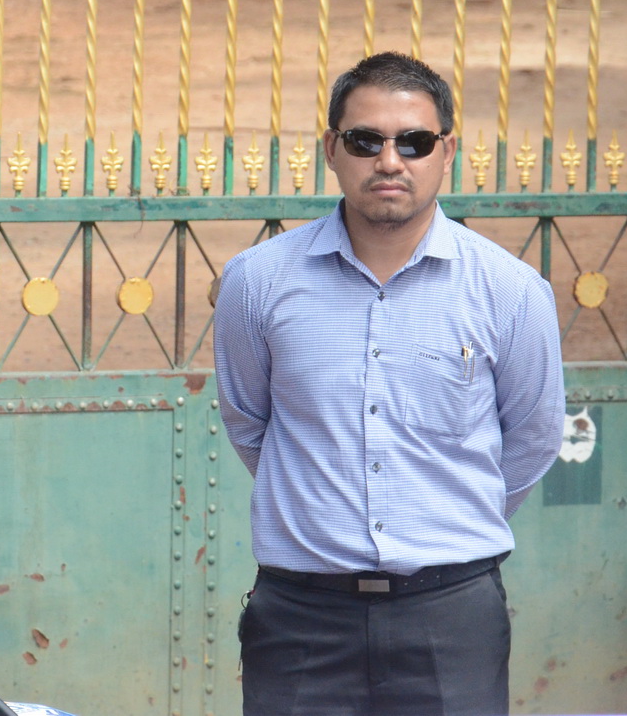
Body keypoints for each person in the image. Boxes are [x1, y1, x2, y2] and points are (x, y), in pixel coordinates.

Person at [213, 52, 564, 716]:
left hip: (451, 615)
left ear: (446, 151)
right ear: (332, 150)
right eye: (365, 140)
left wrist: (448, 522)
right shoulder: (257, 283)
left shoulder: (510, 292)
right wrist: (320, 513)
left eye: (414, 141)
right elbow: (248, 421)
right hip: (300, 618)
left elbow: (535, 436)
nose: (390, 160)